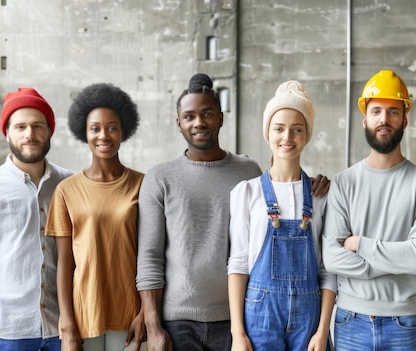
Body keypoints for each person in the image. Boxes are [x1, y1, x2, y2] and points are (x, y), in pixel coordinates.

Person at [136, 73, 329, 351]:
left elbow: (281, 186)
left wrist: (312, 186)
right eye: (189, 116)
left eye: (207, 114)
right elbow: (149, 258)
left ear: (221, 118)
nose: (199, 122)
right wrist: (154, 327)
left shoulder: (247, 172)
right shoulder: (160, 177)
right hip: (178, 320)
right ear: (179, 123)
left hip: (235, 317)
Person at [321, 69, 416, 350]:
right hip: (350, 320)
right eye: (376, 111)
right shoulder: (342, 183)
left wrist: (359, 244)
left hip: (404, 322)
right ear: (365, 119)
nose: (384, 119)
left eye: (393, 112)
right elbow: (332, 258)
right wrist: (393, 265)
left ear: (405, 121)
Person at [228, 80, 336, 350]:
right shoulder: (247, 192)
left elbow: (327, 270)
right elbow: (238, 264)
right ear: (268, 133)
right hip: (260, 317)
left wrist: (323, 331)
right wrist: (238, 334)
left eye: (296, 129)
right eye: (279, 128)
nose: (287, 137)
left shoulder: (321, 196)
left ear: (306, 135)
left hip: (309, 320)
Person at [45, 83, 145, 351]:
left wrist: (145, 313)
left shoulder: (143, 184)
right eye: (95, 128)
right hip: (83, 315)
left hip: (130, 316)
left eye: (112, 127)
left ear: (123, 131)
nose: (104, 135)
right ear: (84, 133)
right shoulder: (66, 191)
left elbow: (154, 257)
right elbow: (64, 264)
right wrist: (66, 326)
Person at [0, 88, 72, 351]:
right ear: (7, 132)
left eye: (37, 126)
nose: (29, 134)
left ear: (49, 131)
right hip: (8, 332)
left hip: (62, 329)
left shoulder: (69, 183)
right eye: (20, 127)